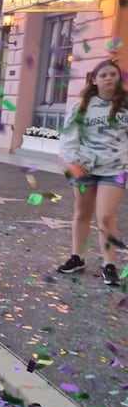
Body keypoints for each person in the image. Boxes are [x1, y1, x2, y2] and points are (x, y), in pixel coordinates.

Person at [57, 58, 128, 286]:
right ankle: (77, 257)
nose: (108, 78)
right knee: (82, 213)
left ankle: (109, 264)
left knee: (106, 216)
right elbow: (68, 137)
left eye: (113, 75)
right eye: (103, 75)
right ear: (95, 80)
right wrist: (74, 162)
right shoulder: (82, 107)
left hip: (115, 169)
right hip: (85, 168)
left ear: (119, 79)